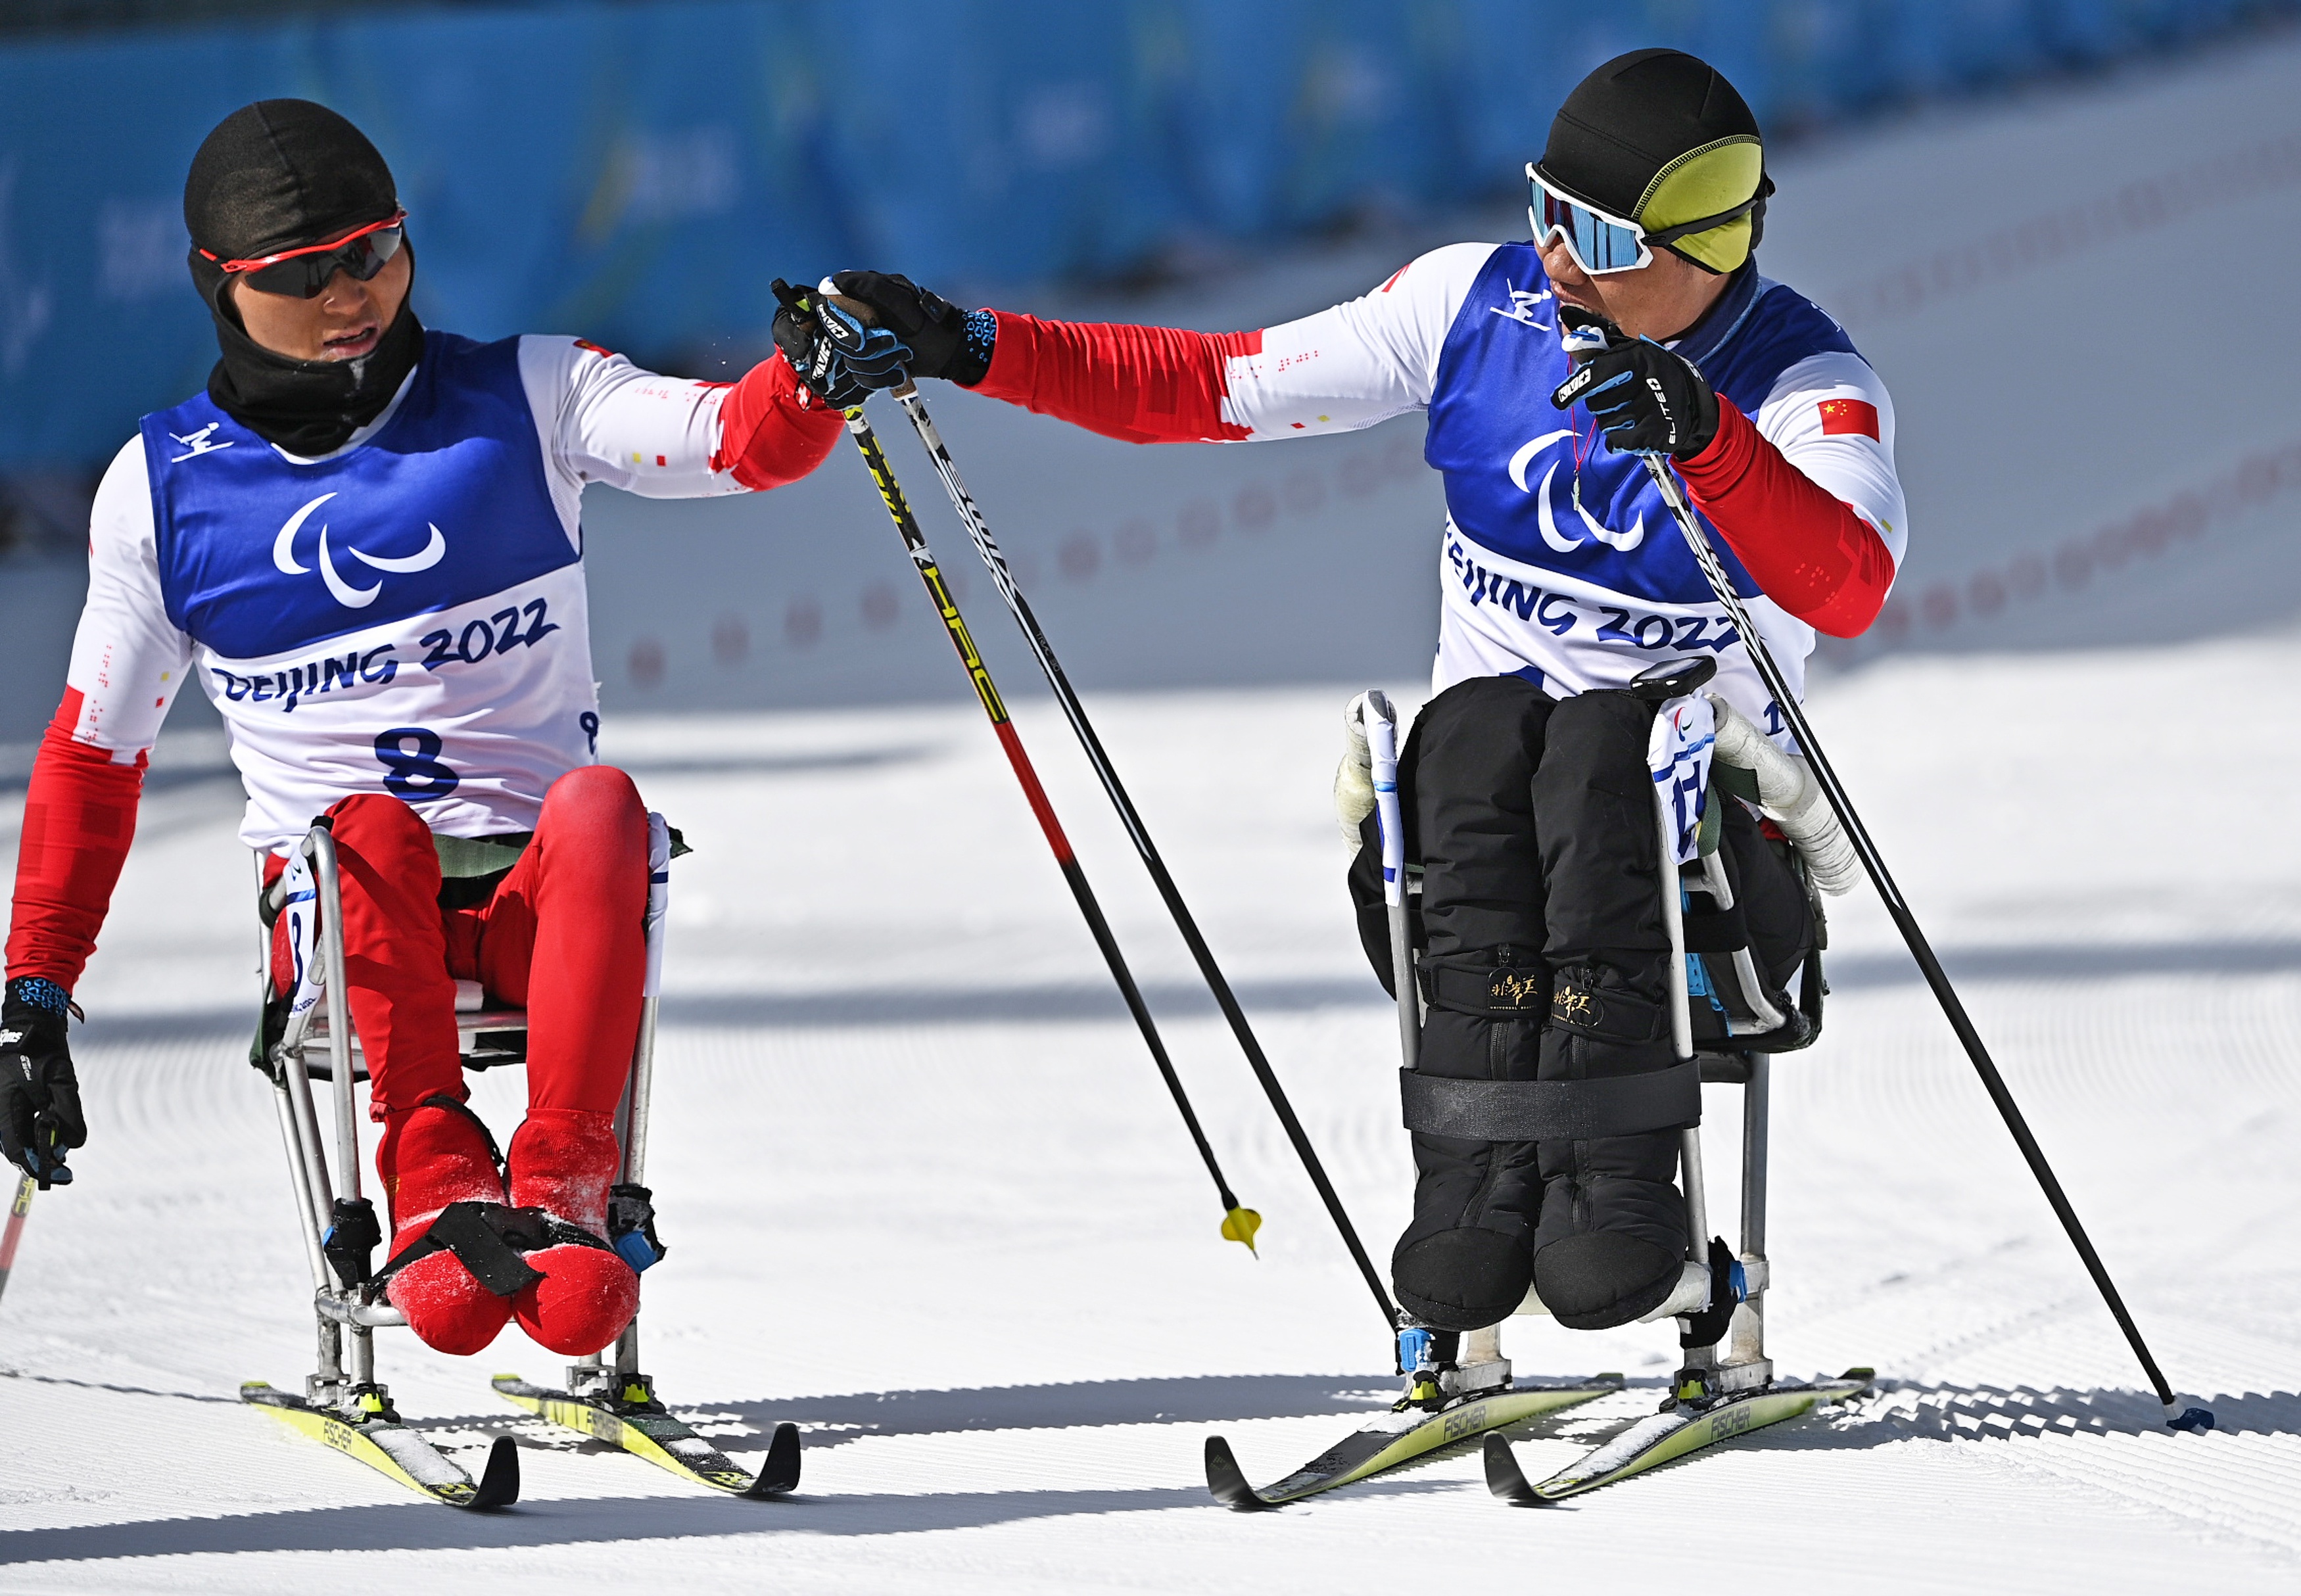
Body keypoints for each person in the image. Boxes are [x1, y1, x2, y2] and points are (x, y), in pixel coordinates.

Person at [810, 50, 1905, 1341]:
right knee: (1470, 737)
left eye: (1600, 237)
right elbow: (1216, 387)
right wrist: (971, 345)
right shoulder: (1468, 302)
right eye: (1546, 209)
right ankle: (1479, 1192)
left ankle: (1622, 1200)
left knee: (1603, 747)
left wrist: (1706, 438)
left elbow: (1848, 582)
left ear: (1707, 244)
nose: (1557, 256)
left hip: (1705, 874)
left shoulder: (1801, 386)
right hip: (1482, 834)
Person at [0, 100, 854, 1361]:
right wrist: (33, 994)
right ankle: (433, 1167)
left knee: (605, 805)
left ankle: (563, 1177)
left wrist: (809, 377)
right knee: (367, 830)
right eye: (302, 274)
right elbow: (92, 759)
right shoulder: (161, 490)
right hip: (349, 925)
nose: (353, 294)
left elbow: (734, 442)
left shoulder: (533, 393)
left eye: (376, 250)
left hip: (541, 917)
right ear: (217, 288)